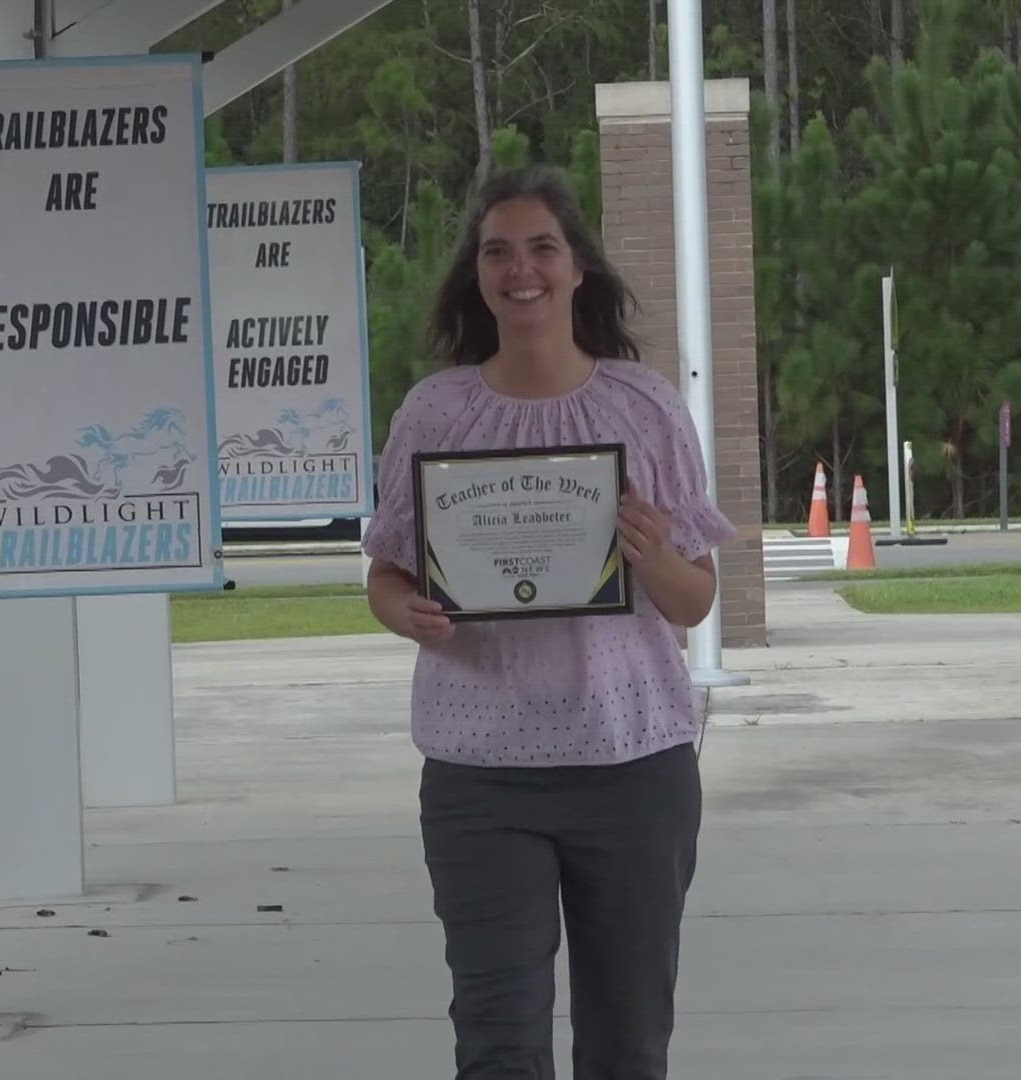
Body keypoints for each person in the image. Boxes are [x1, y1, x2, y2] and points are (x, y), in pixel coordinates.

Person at [361, 164, 736, 1079]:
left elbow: (696, 600)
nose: (518, 269)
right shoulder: (435, 412)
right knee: (498, 1041)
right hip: (481, 779)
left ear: (576, 270)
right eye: (497, 252)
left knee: (628, 1042)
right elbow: (387, 570)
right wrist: (406, 613)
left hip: (634, 764)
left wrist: (652, 558)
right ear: (476, 275)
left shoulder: (642, 406)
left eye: (540, 248)